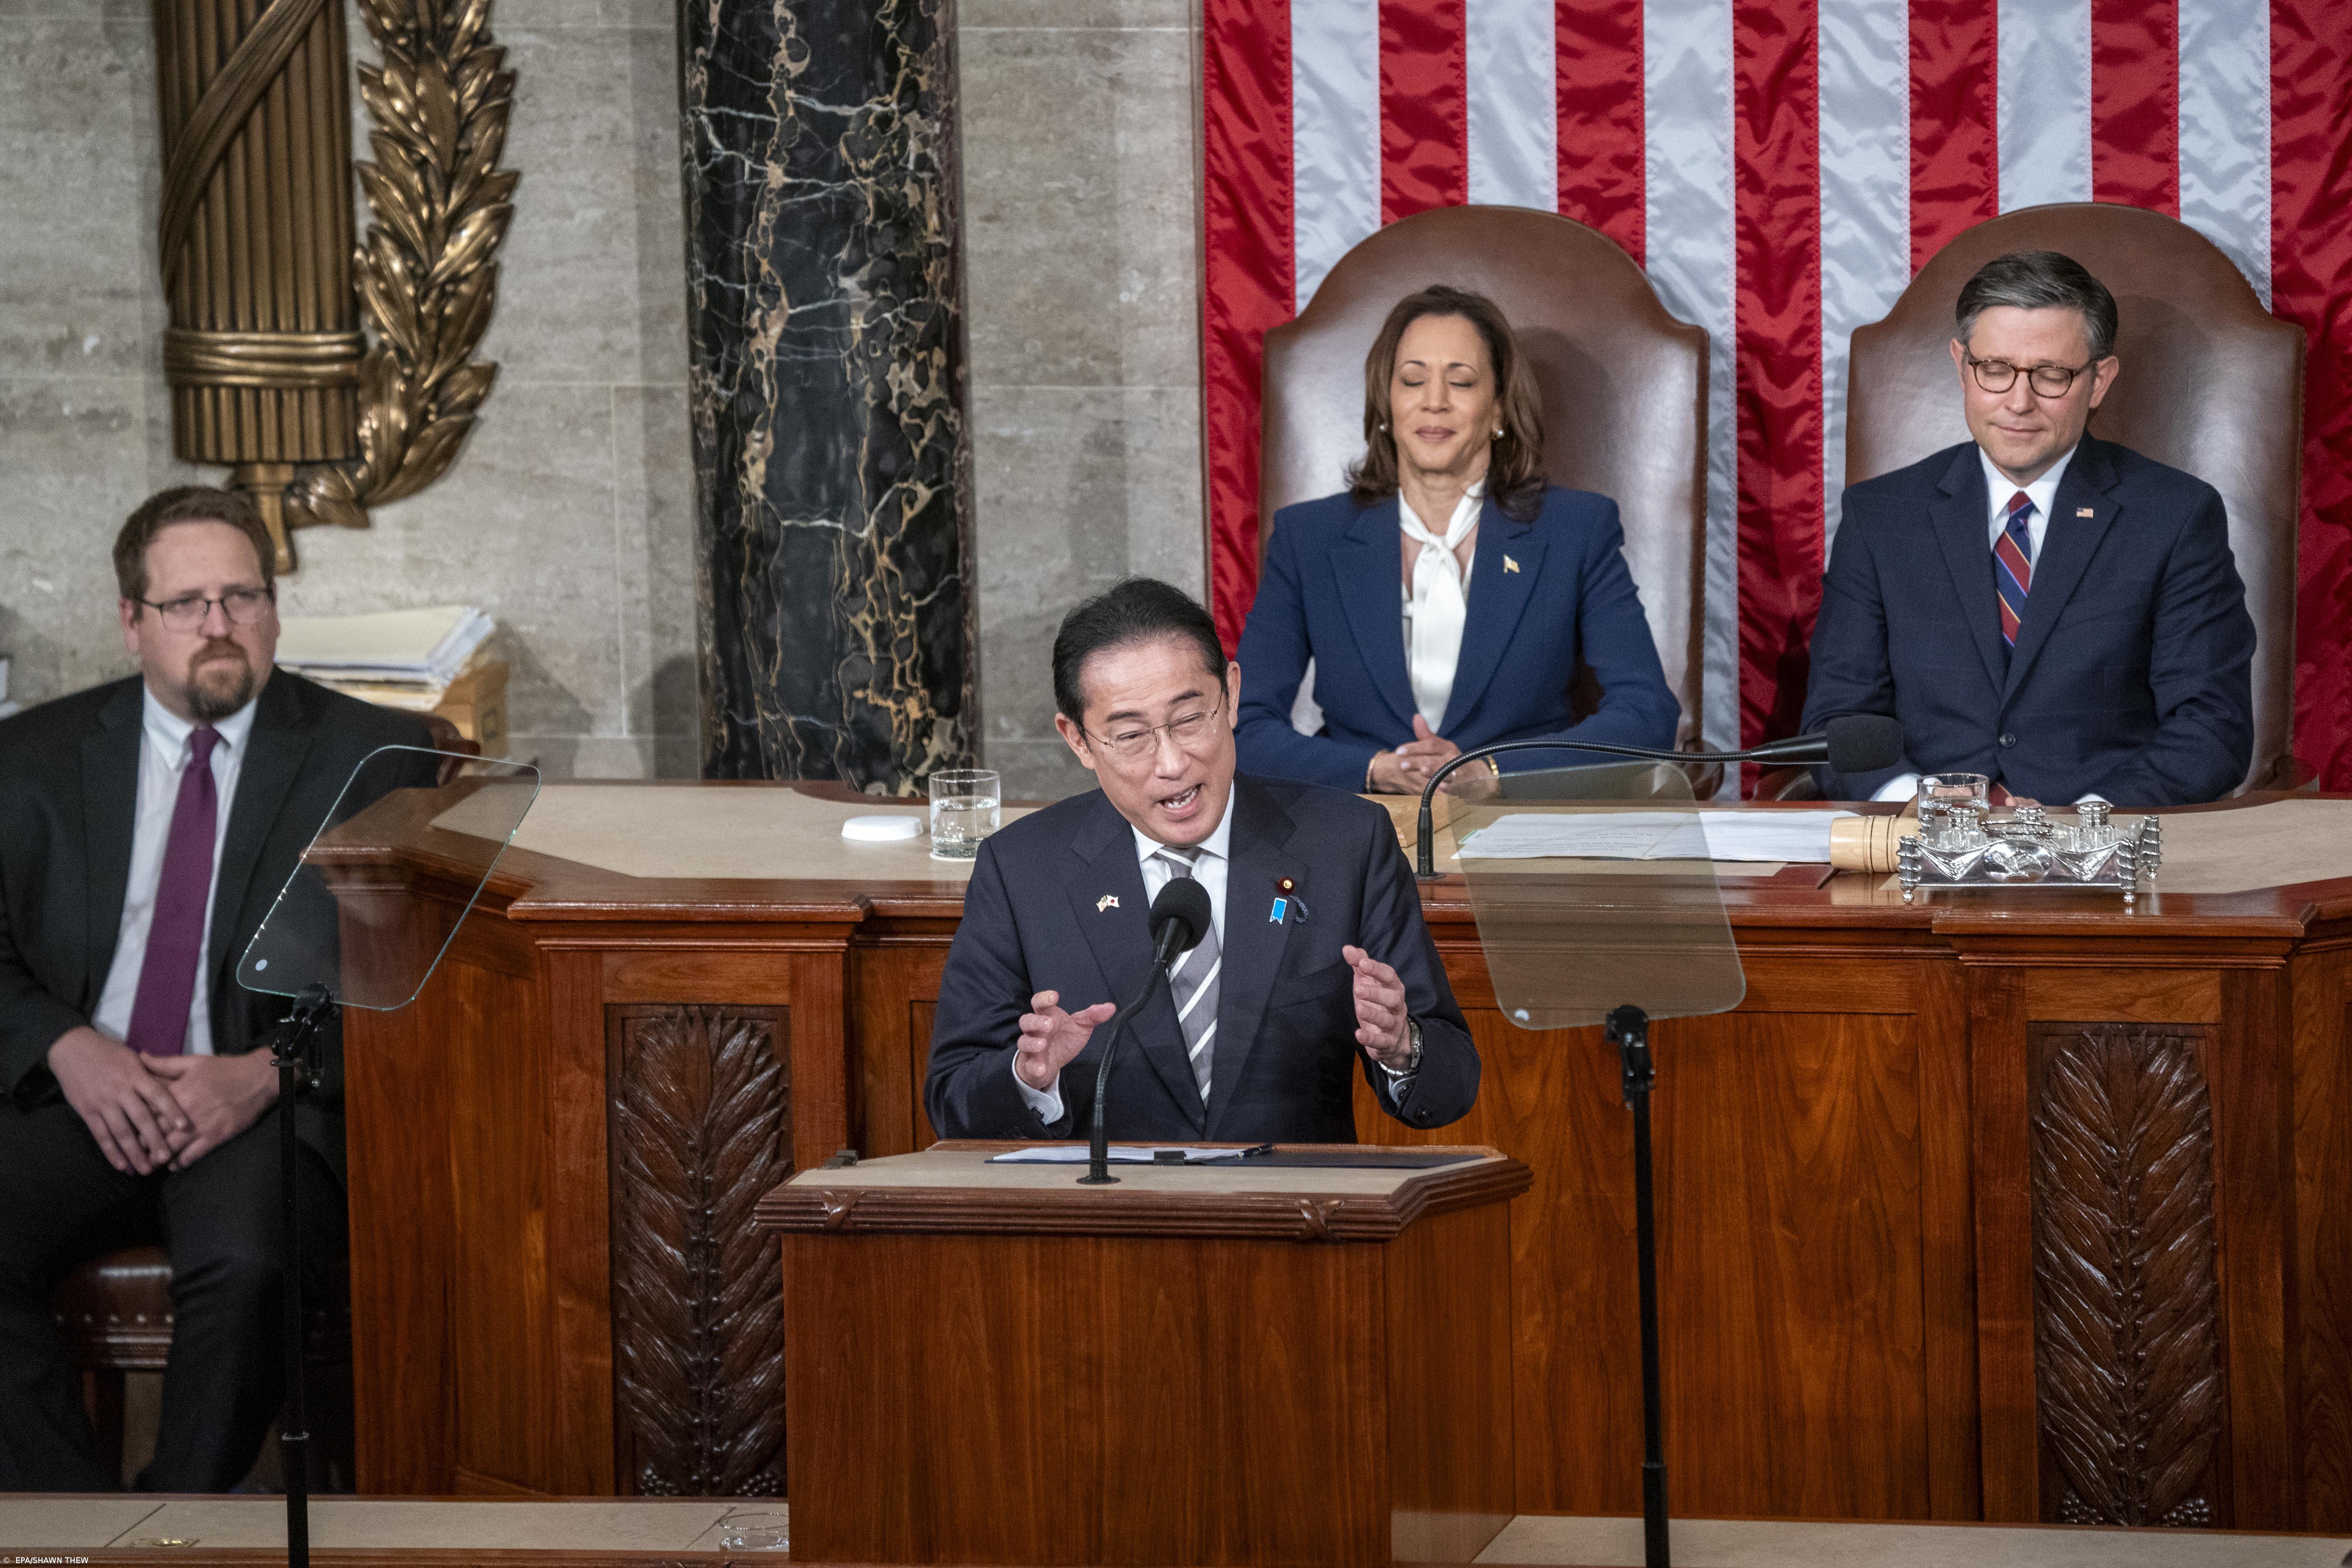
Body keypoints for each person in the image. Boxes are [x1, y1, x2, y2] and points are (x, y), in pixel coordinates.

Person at [0, 487, 434, 1490]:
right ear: (131, 623)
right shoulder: (29, 760)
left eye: (242, 596)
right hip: (83, 1092)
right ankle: (76, 1533)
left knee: (247, 1268)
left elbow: (409, 976)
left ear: (274, 610)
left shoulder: (376, 761)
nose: (217, 625)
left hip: (258, 1107)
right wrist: (71, 1048)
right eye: (186, 603)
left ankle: (170, 1537)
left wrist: (264, 1076)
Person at [926, 578, 1478, 1143]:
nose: (1172, 762)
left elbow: (1451, 1083)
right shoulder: (1022, 870)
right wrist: (1028, 1077)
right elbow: (952, 1099)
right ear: (1078, 740)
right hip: (1106, 1220)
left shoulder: (1346, 843)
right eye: (1131, 735)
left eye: (1190, 719)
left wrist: (1401, 1044)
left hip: (1294, 1214)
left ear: (1231, 694)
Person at [1803, 250, 2256, 805]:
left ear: (2098, 381)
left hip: (2100, 851)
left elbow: (2212, 727)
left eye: (2050, 375)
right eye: (1994, 370)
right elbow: (1837, 719)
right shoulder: (1880, 517)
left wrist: (2082, 823)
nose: (2018, 402)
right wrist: (1913, 804)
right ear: (1960, 365)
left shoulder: (2174, 517)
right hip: (1923, 852)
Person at [1235, 284, 1680, 796]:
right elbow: (1243, 727)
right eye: (1412, 380)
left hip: (1520, 831)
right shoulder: (1307, 538)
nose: (1435, 402)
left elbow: (1647, 715)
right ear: (1387, 404)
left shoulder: (1576, 530)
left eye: (1462, 382)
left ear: (1498, 411)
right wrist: (1375, 769)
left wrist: (1494, 774)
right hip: (1360, 827)